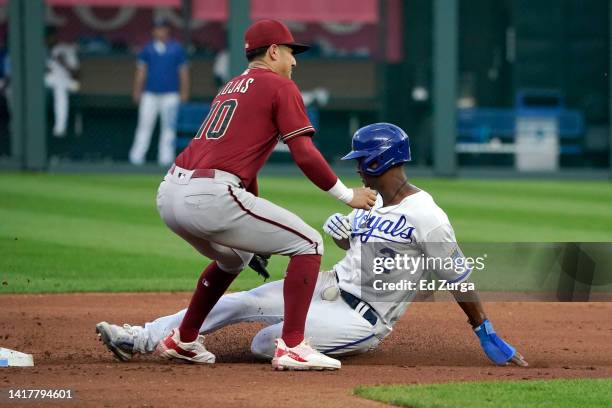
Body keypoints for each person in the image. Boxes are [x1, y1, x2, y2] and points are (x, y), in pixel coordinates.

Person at [96, 123, 528, 368]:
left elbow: (457, 275)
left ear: (379, 161)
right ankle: (143, 337)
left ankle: (300, 347)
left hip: (364, 318)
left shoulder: (428, 216)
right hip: (327, 288)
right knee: (240, 302)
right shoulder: (372, 202)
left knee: (266, 344)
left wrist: (484, 331)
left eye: (361, 161)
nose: (357, 169)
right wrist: (346, 233)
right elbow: (361, 252)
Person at [105, 19, 376, 371]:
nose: (295, 61)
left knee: (234, 259)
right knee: (310, 244)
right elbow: (304, 152)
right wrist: (346, 195)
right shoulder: (279, 86)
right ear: (274, 51)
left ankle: (185, 339)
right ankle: (293, 346)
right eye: (291, 52)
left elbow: (242, 167)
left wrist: (253, 231)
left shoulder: (232, 86)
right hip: (210, 194)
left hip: (171, 190)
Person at [129, 18, 189, 166]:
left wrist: (184, 92)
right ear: (153, 31)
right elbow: (141, 72)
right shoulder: (147, 48)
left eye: (162, 28)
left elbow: (184, 72)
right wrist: (137, 91)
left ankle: (165, 159)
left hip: (171, 94)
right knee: (144, 125)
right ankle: (136, 158)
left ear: (167, 30)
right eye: (157, 28)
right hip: (149, 93)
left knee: (168, 128)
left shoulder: (177, 48)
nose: (159, 31)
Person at [44, 27, 80, 138]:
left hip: (70, 83)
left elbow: (76, 74)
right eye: (45, 38)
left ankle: (60, 128)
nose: (47, 40)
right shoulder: (42, 50)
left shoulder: (66, 49)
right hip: (49, 81)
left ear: (55, 36)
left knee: (60, 89)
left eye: (49, 37)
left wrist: (63, 62)